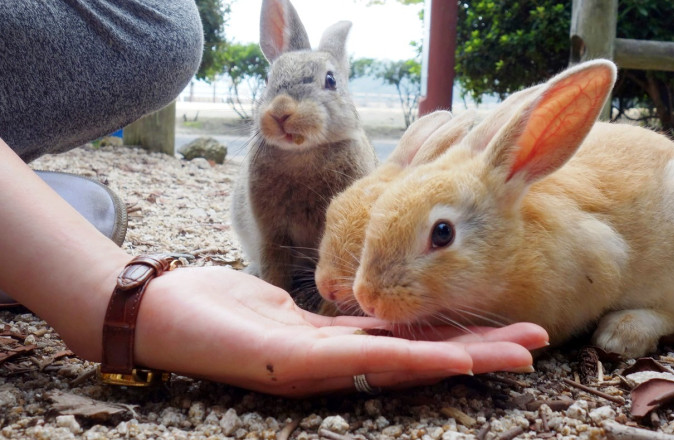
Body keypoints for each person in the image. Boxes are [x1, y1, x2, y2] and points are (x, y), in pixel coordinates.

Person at [0, 0, 547, 396]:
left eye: (320, 85)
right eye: (276, 90)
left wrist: (98, 289)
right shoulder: (264, 155)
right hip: (273, 258)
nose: (284, 107)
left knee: (166, 33)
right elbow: (272, 236)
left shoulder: (353, 154)